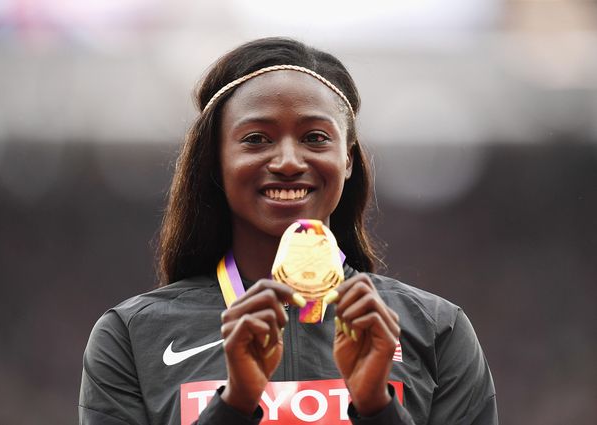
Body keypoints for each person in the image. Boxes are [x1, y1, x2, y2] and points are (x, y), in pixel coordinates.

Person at [79, 37, 497, 425]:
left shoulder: (436, 331)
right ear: (215, 162)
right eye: (257, 139)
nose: (288, 161)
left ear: (347, 160)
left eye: (315, 137)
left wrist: (375, 405)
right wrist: (237, 402)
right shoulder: (132, 336)